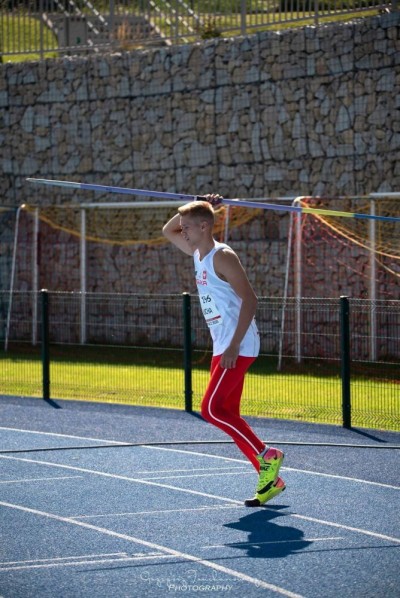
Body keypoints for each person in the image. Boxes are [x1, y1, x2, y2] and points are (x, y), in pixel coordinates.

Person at [162, 195, 285, 506]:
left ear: (204, 226)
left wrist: (232, 345)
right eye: (183, 226)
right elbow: (167, 231)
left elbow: (251, 300)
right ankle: (270, 477)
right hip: (223, 343)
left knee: (212, 410)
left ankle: (267, 455)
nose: (182, 230)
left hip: (237, 344)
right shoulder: (196, 253)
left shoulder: (222, 256)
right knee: (228, 413)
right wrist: (198, 202)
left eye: (188, 226)